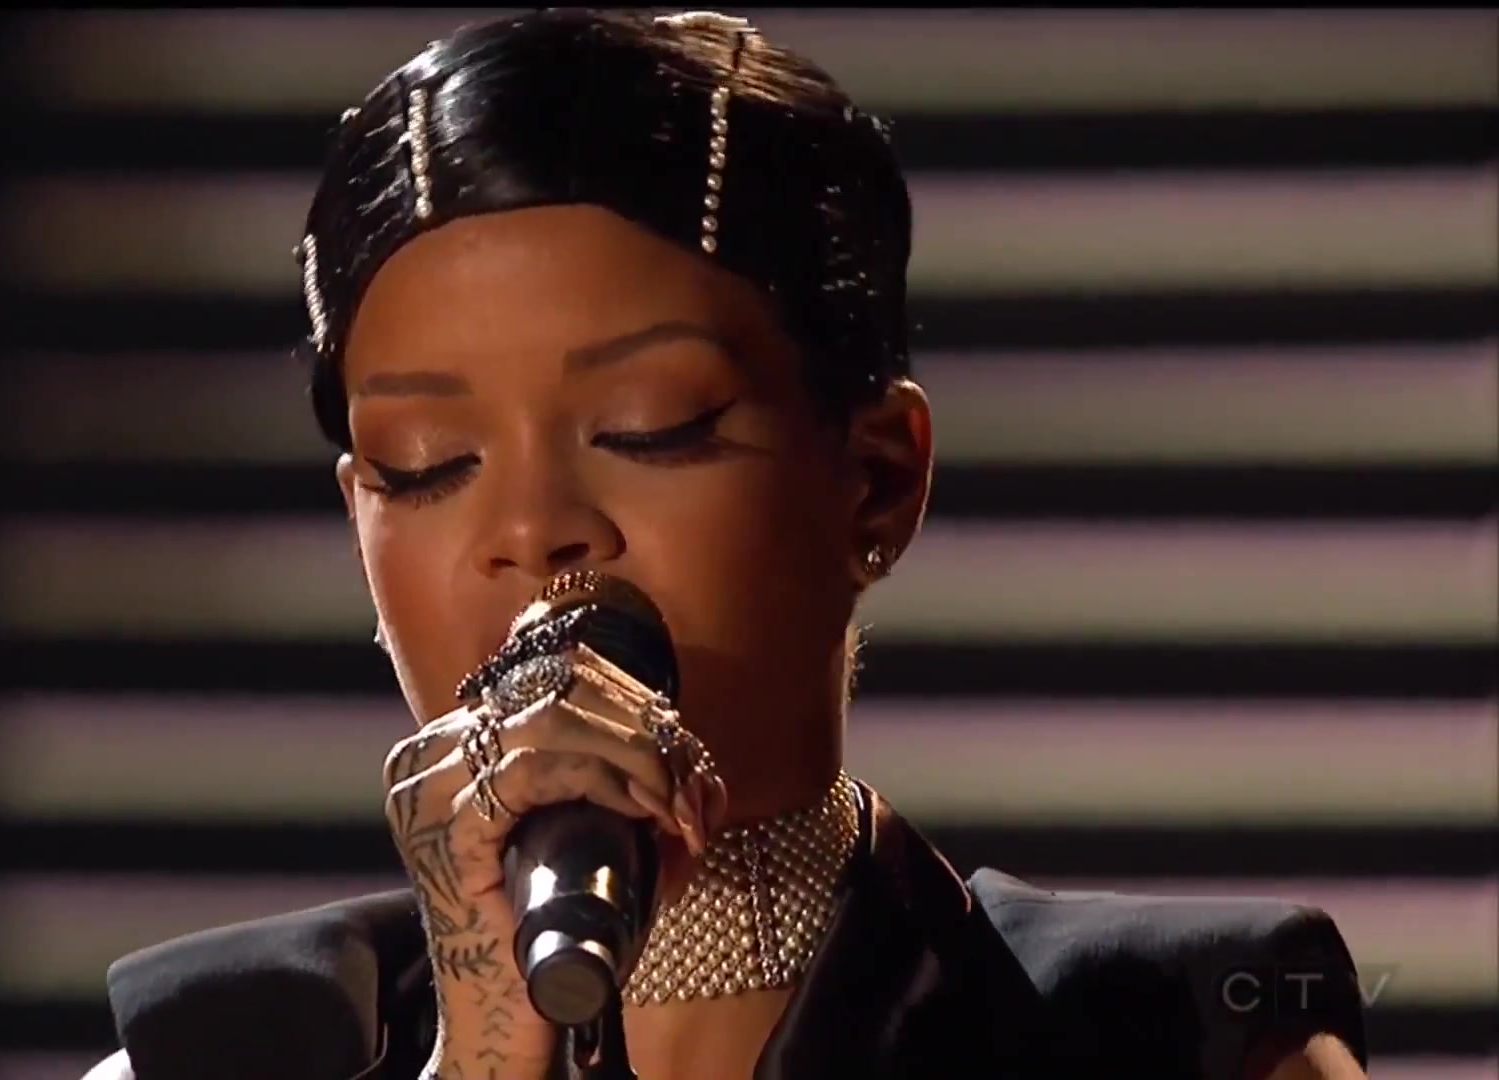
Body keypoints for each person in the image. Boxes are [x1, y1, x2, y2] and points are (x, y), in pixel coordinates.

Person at [82, 9, 1370, 1079]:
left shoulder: (1178, 1038)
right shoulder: (214, 1051)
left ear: (877, 482)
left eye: (652, 427)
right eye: (429, 466)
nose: (535, 531)